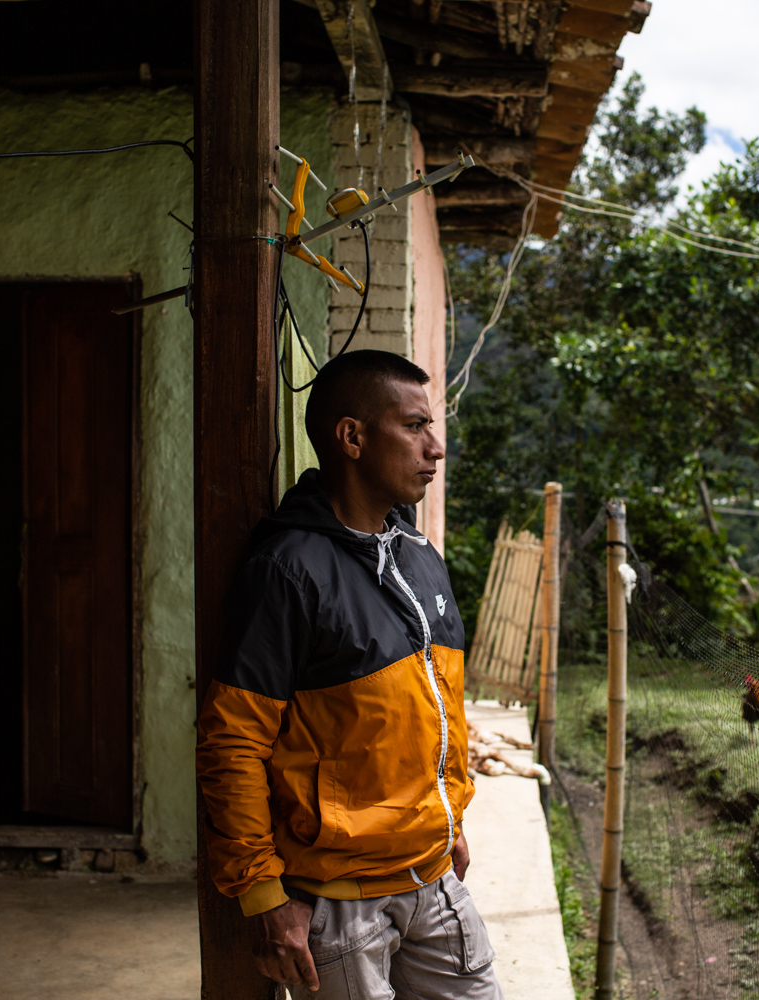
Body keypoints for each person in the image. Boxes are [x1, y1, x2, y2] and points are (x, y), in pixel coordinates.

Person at [197, 350, 501, 998]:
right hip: (339, 904)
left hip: (433, 876)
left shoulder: (419, 555)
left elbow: (431, 706)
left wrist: (450, 818)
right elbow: (233, 741)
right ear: (353, 437)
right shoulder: (286, 570)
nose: (436, 447)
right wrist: (262, 895)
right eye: (415, 426)